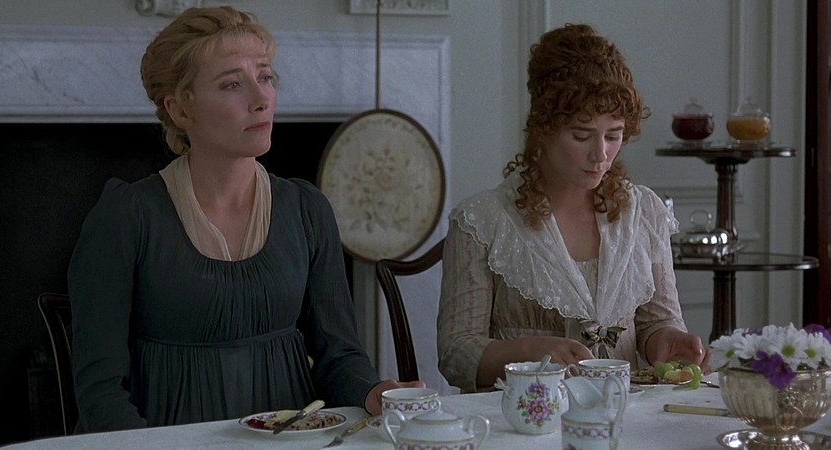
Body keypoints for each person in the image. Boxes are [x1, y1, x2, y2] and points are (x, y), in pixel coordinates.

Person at [68, 6, 421, 432]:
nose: (261, 99)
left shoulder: (306, 210)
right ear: (180, 110)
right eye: (232, 84)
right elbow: (101, 392)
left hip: (290, 442)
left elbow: (340, 356)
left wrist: (373, 391)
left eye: (265, 77)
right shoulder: (127, 217)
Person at [436, 23, 708, 393]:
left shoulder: (643, 214)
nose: (601, 155)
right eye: (582, 135)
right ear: (543, 129)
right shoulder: (483, 223)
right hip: (526, 418)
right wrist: (529, 352)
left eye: (613, 136)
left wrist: (666, 340)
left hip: (622, 415)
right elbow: (456, 353)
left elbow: (657, 322)